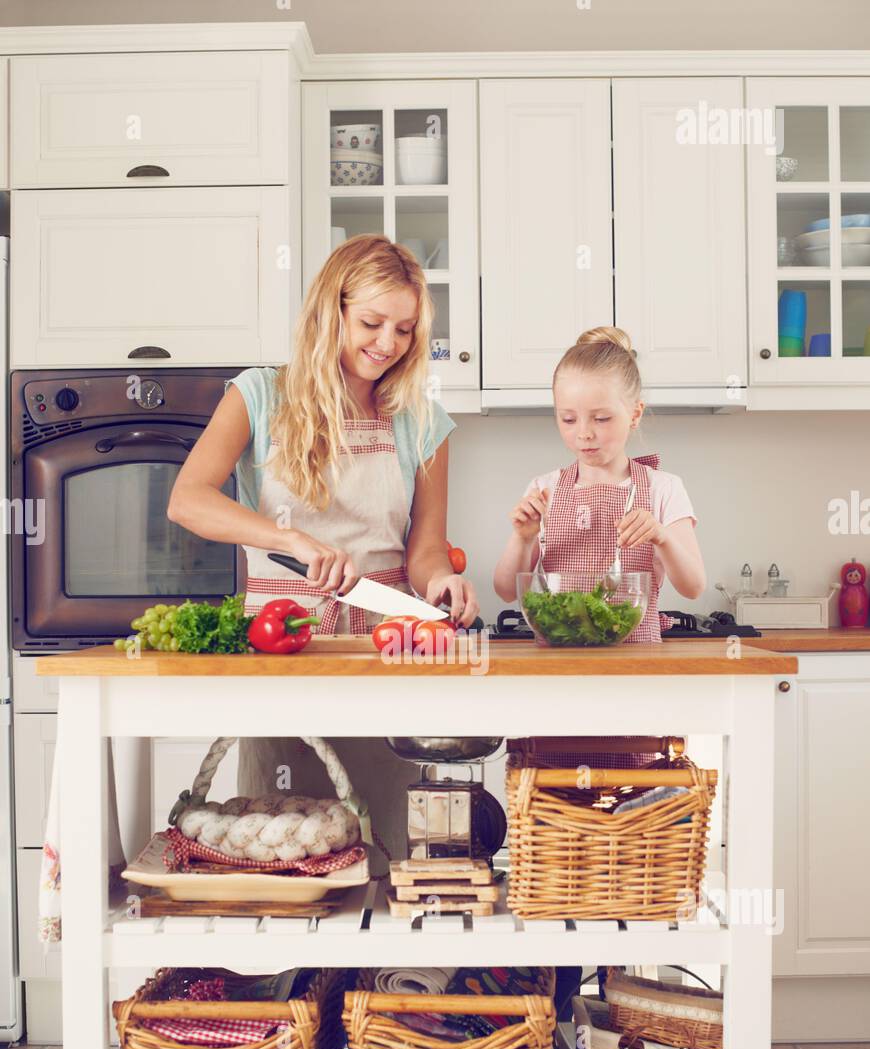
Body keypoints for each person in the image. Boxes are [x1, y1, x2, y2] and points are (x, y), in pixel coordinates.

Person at [168, 235, 479, 859]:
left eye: (405, 329)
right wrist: (286, 537)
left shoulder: (421, 421)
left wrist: (441, 583)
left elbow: (423, 552)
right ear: (329, 311)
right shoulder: (259, 396)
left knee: (383, 844)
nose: (387, 343)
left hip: (381, 649)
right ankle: (291, 963)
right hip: (281, 647)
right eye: (370, 322)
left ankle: (389, 961)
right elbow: (188, 499)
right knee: (280, 839)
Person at [494, 324, 705, 773]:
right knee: (553, 790)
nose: (583, 434)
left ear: (635, 413)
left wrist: (661, 537)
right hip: (555, 676)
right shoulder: (545, 488)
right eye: (567, 419)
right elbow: (505, 591)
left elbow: (693, 587)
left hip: (636, 674)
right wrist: (523, 537)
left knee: (632, 789)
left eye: (601, 418)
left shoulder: (664, 489)